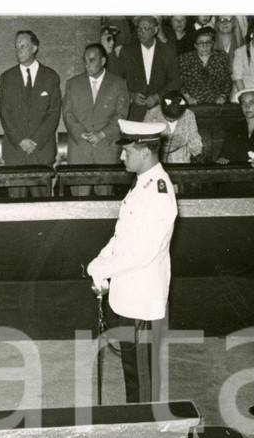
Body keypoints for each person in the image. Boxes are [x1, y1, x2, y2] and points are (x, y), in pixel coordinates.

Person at [86, 120, 177, 404]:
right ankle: (136, 425)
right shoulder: (141, 186)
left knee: (142, 379)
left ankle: (146, 434)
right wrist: (101, 258)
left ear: (145, 151)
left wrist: (103, 268)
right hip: (128, 294)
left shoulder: (158, 193)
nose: (121, 156)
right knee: (133, 372)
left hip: (141, 298)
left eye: (126, 151)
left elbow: (142, 252)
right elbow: (122, 234)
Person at [0, 30, 62, 198]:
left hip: (41, 152)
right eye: (16, 47)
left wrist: (35, 141)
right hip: (15, 152)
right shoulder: (7, 77)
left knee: (43, 206)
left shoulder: (50, 76)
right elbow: (5, 113)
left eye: (23, 46)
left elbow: (54, 113)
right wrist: (20, 140)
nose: (19, 50)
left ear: (34, 48)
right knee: (16, 207)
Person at [62, 43, 129, 197]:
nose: (87, 64)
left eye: (91, 60)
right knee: (78, 202)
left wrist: (102, 134)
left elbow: (121, 115)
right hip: (80, 150)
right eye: (85, 60)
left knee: (104, 202)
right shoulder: (73, 83)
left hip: (106, 150)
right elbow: (67, 113)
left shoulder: (119, 84)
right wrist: (81, 134)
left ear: (103, 61)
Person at [112, 16, 181, 120]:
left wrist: (157, 96)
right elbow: (118, 80)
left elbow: (175, 81)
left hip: (161, 109)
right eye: (139, 28)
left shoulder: (168, 52)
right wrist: (131, 95)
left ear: (155, 30)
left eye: (145, 28)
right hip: (134, 110)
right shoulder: (127, 51)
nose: (141, 32)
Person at [144, 90, 202, 164]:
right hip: (156, 159)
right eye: (168, 118)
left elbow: (194, 137)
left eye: (175, 118)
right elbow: (145, 139)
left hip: (181, 159)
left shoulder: (189, 115)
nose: (171, 120)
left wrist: (198, 154)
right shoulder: (152, 114)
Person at [179, 26, 231, 105]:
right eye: (200, 43)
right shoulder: (185, 58)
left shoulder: (221, 56)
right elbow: (180, 81)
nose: (204, 46)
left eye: (208, 42)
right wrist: (188, 97)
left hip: (217, 103)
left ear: (212, 44)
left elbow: (228, 79)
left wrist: (223, 96)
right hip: (191, 102)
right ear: (195, 45)